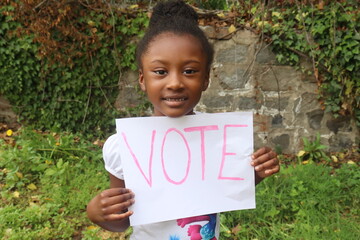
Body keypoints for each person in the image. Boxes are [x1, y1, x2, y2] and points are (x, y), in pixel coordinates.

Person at [87, 0, 280, 239]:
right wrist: (97, 214)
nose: (175, 83)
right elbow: (122, 222)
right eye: (160, 72)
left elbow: (227, 190)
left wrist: (256, 173)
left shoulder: (219, 141)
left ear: (206, 79)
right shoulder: (124, 147)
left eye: (189, 71)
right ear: (142, 79)